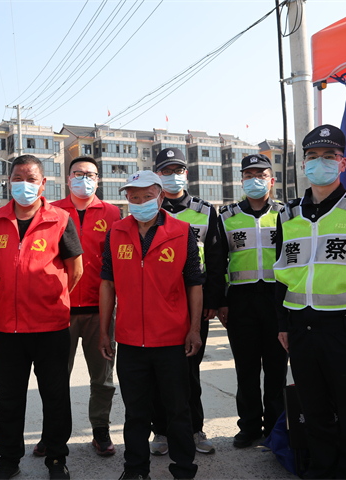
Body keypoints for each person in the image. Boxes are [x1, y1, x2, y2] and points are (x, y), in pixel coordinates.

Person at [274, 125, 346, 479]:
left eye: (329, 156)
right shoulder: (288, 214)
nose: (319, 163)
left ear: (342, 163)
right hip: (301, 329)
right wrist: (282, 324)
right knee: (315, 415)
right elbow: (282, 275)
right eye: (312, 157)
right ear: (303, 164)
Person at [0, 155, 84, 480]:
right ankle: (8, 462)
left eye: (31, 178)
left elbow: (76, 269)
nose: (25, 184)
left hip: (51, 328)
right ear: (9, 182)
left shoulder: (61, 219)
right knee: (9, 400)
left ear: (43, 183)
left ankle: (57, 459)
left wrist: (49, 296)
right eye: (18, 178)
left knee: (55, 396)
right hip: (7, 329)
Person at [99, 170, 204, 480]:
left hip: (172, 340)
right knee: (135, 413)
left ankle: (183, 469)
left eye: (147, 196)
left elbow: (194, 284)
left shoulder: (182, 232)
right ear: (126, 198)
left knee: (178, 410)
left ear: (160, 197)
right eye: (134, 196)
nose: (140, 201)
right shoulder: (116, 232)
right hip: (130, 340)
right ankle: (135, 470)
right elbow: (107, 284)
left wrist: (194, 329)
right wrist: (105, 331)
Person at [32, 156, 121, 456]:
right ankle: (52, 434)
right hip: (61, 311)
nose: (84, 179)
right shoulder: (51, 212)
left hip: (100, 310)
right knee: (55, 379)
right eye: (78, 173)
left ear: (98, 179)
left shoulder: (112, 213)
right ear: (68, 178)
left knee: (103, 378)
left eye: (90, 174)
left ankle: (101, 430)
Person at [150, 147, 224, 456]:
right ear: (157, 175)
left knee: (190, 370)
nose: (172, 175)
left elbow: (217, 258)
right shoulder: (148, 209)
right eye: (165, 171)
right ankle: (161, 431)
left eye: (177, 170)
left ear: (186, 173)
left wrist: (213, 300)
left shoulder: (205, 211)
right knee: (158, 371)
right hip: (160, 303)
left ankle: (195, 428)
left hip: (195, 303)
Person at [216, 154, 288, 448]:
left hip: (277, 299)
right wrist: (221, 301)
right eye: (249, 175)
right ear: (242, 181)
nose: (255, 180)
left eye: (261, 175)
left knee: (276, 368)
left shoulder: (286, 214)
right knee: (245, 368)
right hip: (241, 300)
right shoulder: (227, 216)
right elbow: (218, 261)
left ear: (272, 180)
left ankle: (275, 428)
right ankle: (248, 426)